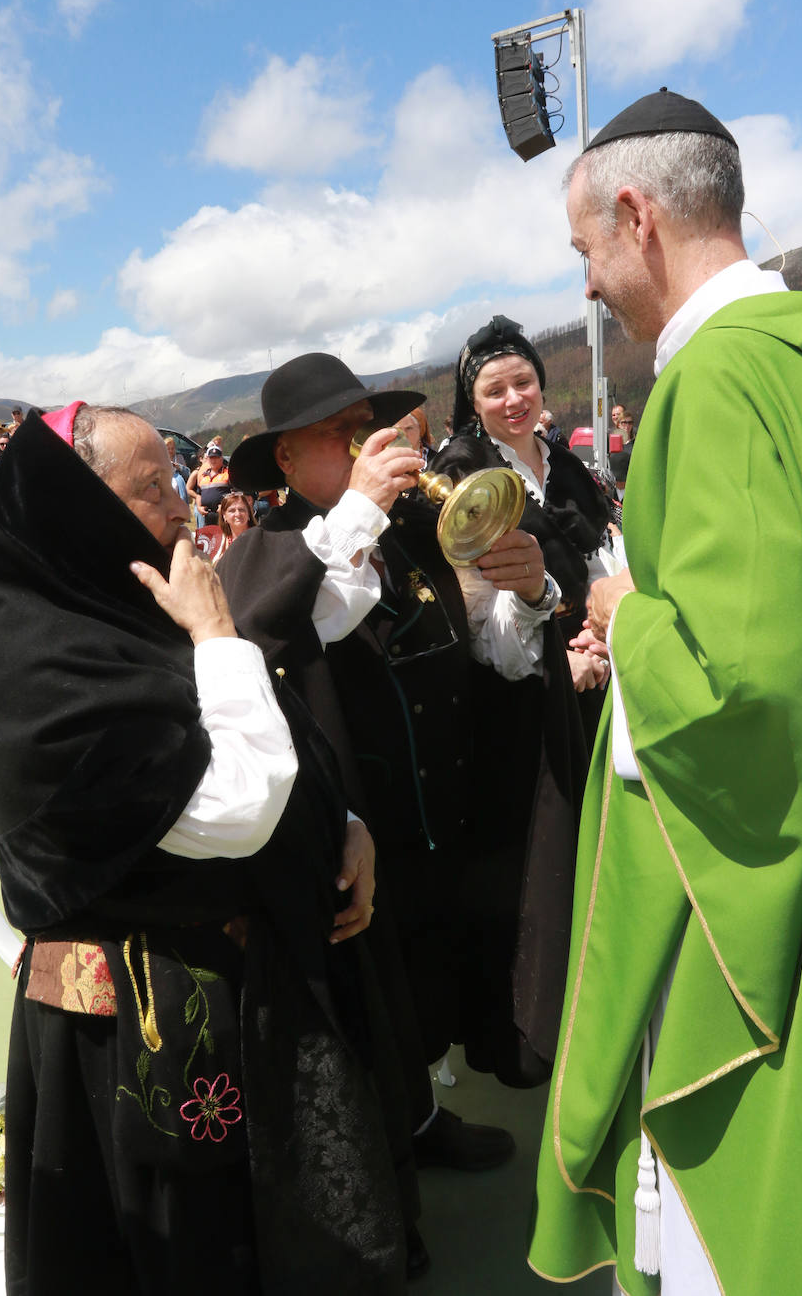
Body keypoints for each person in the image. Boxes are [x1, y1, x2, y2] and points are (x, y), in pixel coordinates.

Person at [0, 402, 417, 1296]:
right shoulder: (46, 672)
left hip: (233, 1000)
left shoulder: (118, 610)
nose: (182, 509)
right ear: (77, 510)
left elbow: (267, 740)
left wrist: (342, 827)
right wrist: (215, 634)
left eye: (176, 481)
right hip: (139, 1045)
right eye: (154, 490)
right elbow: (240, 803)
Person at [529, 88, 802, 1296]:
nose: (588, 287)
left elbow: (732, 684)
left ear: (636, 215)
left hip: (743, 892)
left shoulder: (711, 383)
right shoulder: (799, 353)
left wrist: (620, 614)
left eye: (585, 251)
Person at [220, 352, 576, 1109]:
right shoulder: (265, 551)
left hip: (446, 825)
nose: (363, 443)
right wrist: (358, 510)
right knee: (368, 1014)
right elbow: (277, 636)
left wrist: (529, 594)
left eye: (366, 427)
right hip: (356, 833)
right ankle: (403, 1140)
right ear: (284, 456)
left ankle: (423, 1119)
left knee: (432, 992)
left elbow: (490, 656)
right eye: (338, 432)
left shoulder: (416, 531)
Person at [433, 316, 613, 713]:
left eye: (523, 383)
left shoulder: (566, 465)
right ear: (474, 404)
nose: (514, 400)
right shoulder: (463, 473)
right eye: (495, 391)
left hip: (592, 659)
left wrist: (603, 636)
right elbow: (476, 618)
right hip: (519, 681)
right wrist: (557, 661)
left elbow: (593, 564)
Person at [186, 443, 230, 525]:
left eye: (216, 457)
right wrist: (199, 507)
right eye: (211, 458)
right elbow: (199, 494)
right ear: (208, 459)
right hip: (207, 515)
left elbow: (235, 493)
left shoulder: (228, 473)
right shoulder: (203, 475)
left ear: (221, 459)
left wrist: (225, 505)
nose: (213, 460)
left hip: (224, 515)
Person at [211, 491, 257, 564]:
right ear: (224, 516)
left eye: (241, 510)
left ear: (249, 514)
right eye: (232, 511)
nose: (238, 514)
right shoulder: (220, 541)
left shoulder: (258, 538)